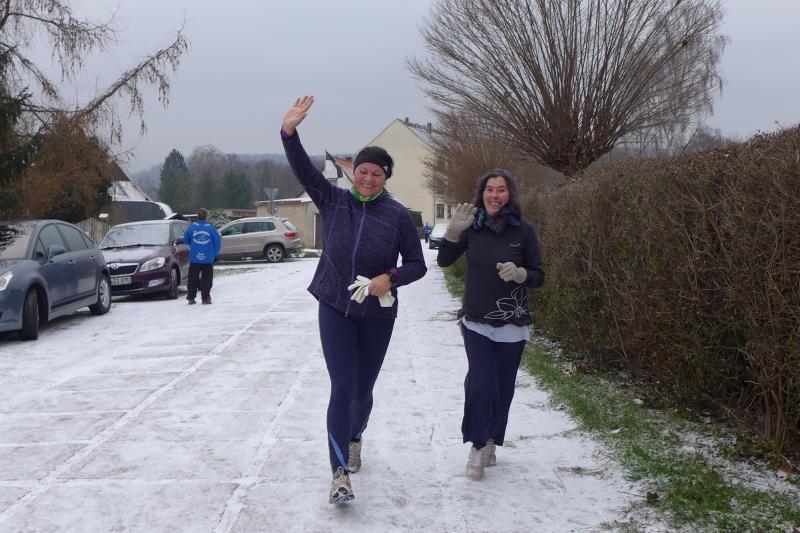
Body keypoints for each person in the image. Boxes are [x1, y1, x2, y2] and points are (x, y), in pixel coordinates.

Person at [281, 96, 427, 504]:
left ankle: (356, 434)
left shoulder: (397, 216)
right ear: (353, 173)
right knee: (342, 387)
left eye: (376, 173)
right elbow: (303, 168)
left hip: (376, 314)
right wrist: (289, 133)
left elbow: (418, 265)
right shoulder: (333, 200)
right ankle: (340, 473)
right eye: (362, 171)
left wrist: (390, 277)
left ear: (385, 178)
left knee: (363, 391)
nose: (368, 178)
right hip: (334, 305)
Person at [436, 169, 544, 481]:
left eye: (501, 190)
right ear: (481, 193)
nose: (494, 196)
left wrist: (522, 274)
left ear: (510, 194)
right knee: (481, 383)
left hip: (513, 322)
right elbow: (444, 261)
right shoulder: (472, 226)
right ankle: (478, 444)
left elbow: (539, 275)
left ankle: (493, 438)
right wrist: (452, 234)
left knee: (502, 387)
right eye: (489, 189)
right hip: (476, 320)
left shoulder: (523, 230)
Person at [183, 208, 221, 305]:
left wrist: (194, 244)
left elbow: (186, 240)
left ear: (197, 217)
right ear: (206, 217)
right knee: (207, 279)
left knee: (192, 278)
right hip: (208, 259)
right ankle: (205, 298)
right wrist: (215, 254)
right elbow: (217, 242)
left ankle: (191, 298)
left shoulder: (192, 227)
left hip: (195, 258)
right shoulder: (211, 228)